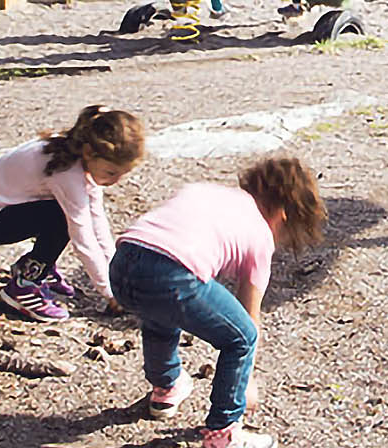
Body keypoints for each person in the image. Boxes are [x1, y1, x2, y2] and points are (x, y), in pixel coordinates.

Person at [111, 156, 328, 448]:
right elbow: (249, 316)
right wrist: (245, 381)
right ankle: (223, 432)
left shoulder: (205, 191)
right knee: (242, 337)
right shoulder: (262, 234)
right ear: (282, 215)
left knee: (160, 315)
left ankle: (167, 387)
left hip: (124, 261)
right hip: (172, 273)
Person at [0, 105, 145, 321]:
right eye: (111, 172)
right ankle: (25, 286)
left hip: (5, 211)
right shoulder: (66, 171)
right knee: (62, 217)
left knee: (67, 213)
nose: (115, 181)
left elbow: (98, 222)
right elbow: (83, 238)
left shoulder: (76, 152)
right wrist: (109, 293)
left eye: (122, 175)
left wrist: (115, 277)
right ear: (90, 152)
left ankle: (35, 266)